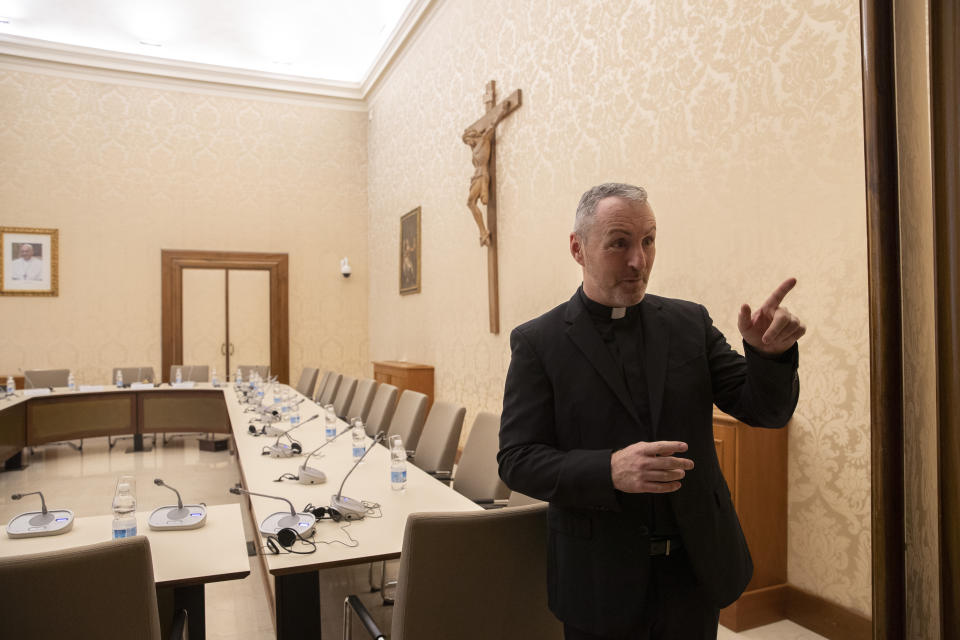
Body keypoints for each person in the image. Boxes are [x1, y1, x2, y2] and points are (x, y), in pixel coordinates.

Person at [498, 183, 804, 639]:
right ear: (578, 249)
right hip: (599, 577)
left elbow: (764, 411)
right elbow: (517, 459)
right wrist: (608, 469)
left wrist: (769, 359)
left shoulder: (689, 323)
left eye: (649, 240)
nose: (639, 260)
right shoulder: (539, 343)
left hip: (694, 568)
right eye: (619, 243)